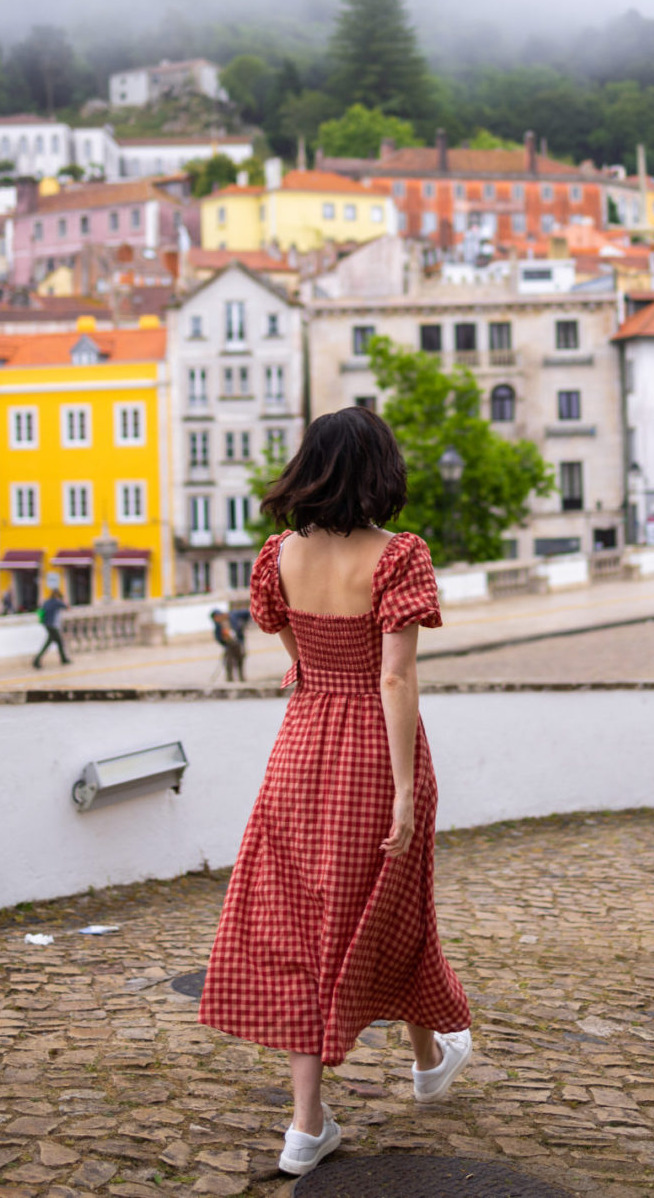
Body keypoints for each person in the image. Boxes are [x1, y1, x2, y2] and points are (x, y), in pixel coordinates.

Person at [198, 407, 471, 1178]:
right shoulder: (398, 557)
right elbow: (392, 675)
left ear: (312, 465)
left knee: (300, 927)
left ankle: (307, 1124)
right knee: (392, 906)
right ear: (380, 467)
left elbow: (294, 654)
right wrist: (407, 787)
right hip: (369, 753)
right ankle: (424, 1064)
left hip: (299, 748)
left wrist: (319, 676)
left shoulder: (277, 555)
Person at [33, 587, 71, 669]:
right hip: (53, 625)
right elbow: (67, 607)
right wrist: (62, 598)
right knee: (54, 643)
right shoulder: (56, 602)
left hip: (46, 624)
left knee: (56, 642)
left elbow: (41, 610)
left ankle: (63, 659)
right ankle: (36, 660)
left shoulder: (46, 602)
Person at [210, 607, 244, 682]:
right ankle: (230, 679)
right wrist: (224, 643)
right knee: (229, 663)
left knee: (240, 660)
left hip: (237, 642)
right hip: (228, 645)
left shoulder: (231, 618)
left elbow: (239, 628)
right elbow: (218, 638)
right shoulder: (218, 626)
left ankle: (241, 678)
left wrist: (240, 640)